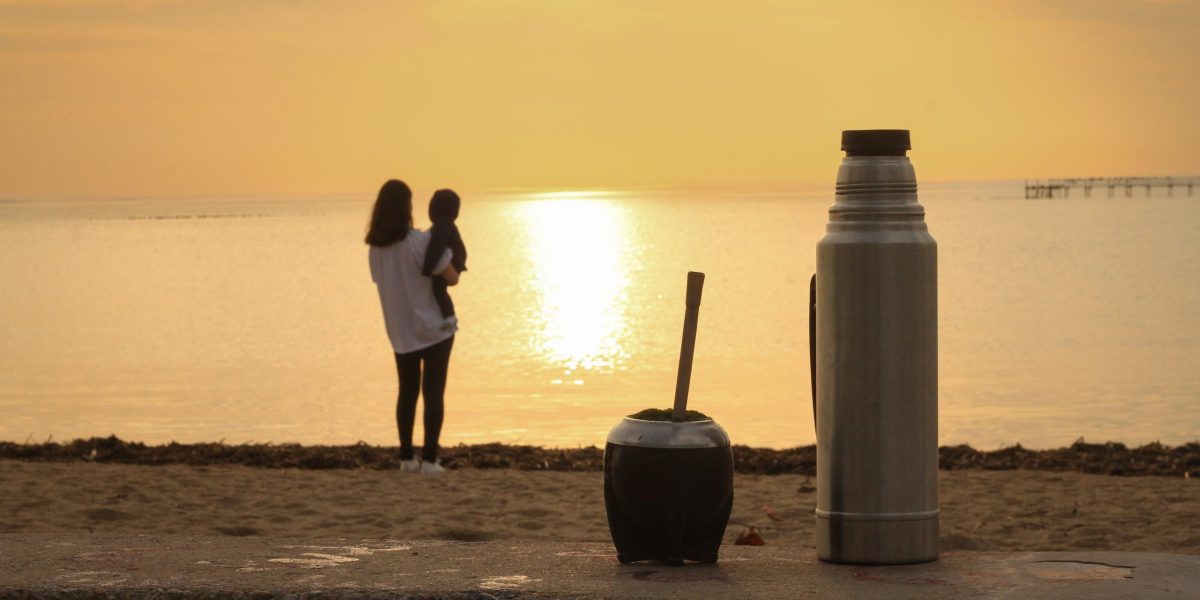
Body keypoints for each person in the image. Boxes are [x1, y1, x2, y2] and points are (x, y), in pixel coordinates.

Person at [366, 179, 460, 476]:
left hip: (401, 332)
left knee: (406, 391)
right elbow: (451, 277)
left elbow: (381, 281)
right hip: (435, 328)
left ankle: (406, 458)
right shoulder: (420, 242)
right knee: (434, 392)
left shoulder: (375, 249)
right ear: (407, 207)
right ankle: (430, 460)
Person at [421, 189, 468, 331]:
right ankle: (448, 316)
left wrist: (427, 269)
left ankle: (449, 316)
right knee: (438, 289)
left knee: (438, 289)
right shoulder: (446, 225)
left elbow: (436, 248)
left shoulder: (441, 226)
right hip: (456, 258)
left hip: (453, 260)